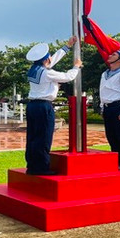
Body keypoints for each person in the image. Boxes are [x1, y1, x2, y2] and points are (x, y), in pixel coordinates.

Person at [24, 37, 82, 175]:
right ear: (46, 60)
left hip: (33, 106)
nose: (51, 58)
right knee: (44, 137)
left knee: (33, 137)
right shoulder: (47, 72)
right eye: (49, 57)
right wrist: (76, 66)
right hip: (43, 107)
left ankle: (32, 166)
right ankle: (42, 168)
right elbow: (68, 77)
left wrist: (67, 47)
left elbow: (52, 61)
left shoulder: (34, 69)